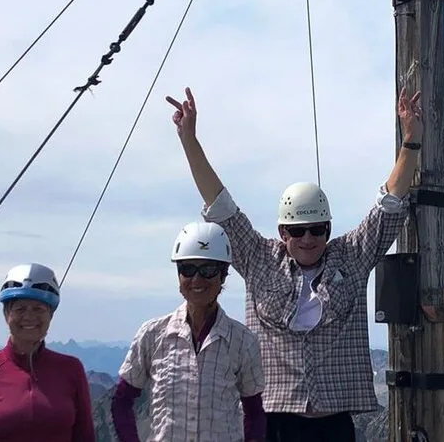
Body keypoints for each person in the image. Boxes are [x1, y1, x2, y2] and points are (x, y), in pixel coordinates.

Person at [164, 85, 423, 441]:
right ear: (282, 231)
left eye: (318, 229)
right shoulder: (258, 258)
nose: (308, 239)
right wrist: (189, 140)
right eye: (298, 230)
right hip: (271, 422)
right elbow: (219, 205)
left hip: (333, 425)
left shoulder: (351, 255)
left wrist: (411, 141)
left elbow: (389, 204)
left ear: (329, 228)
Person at [111, 221, 265, 442]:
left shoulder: (243, 341)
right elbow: (122, 400)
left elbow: (254, 412)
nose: (196, 279)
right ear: (178, 274)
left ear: (223, 275)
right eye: (188, 269)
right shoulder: (152, 335)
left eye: (208, 270)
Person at [0, 263, 94, 442]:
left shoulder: (71, 369)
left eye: (38, 309)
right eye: (20, 309)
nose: (29, 316)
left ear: (51, 314)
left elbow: (85, 436)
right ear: (6, 314)